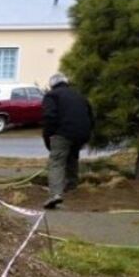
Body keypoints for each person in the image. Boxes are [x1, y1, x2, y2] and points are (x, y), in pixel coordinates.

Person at [41, 73, 94, 209]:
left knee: (56, 162)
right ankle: (72, 186)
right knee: (72, 157)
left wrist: (48, 137)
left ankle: (55, 195)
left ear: (51, 85)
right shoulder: (79, 96)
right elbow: (90, 116)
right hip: (82, 133)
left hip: (62, 133)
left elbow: (49, 117)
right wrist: (86, 134)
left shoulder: (52, 96)